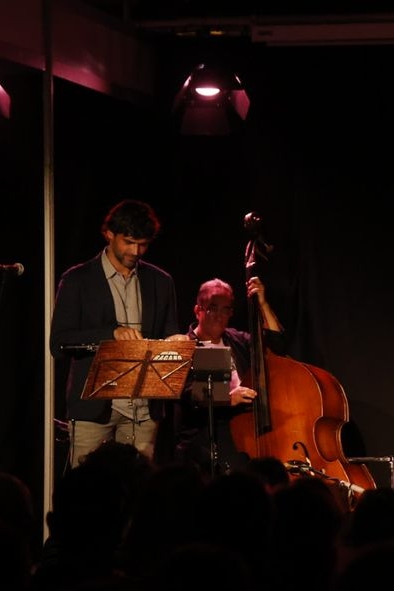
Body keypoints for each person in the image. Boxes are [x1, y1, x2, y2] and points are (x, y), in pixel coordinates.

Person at [50, 199, 190, 467]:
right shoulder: (77, 279)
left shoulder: (161, 281)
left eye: (143, 244)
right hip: (94, 409)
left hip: (144, 409)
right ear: (109, 234)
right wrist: (110, 334)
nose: (136, 251)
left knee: (137, 494)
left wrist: (176, 343)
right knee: (87, 490)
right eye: (129, 242)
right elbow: (59, 343)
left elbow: (170, 332)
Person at [172, 276, 286, 476]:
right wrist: (228, 398)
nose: (219, 315)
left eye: (226, 310)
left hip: (245, 430)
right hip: (205, 434)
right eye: (212, 308)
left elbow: (277, 346)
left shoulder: (237, 340)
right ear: (198, 310)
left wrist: (263, 303)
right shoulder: (184, 344)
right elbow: (186, 394)